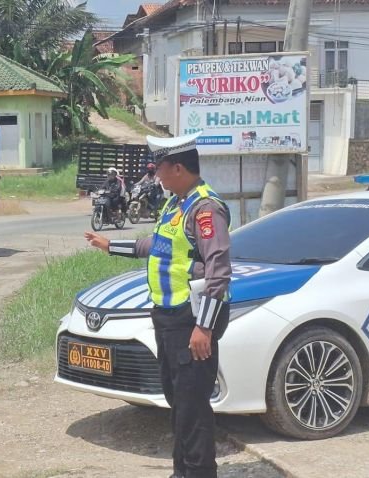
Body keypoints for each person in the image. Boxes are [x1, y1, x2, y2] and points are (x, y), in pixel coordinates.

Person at [84, 132, 231, 478]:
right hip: (169, 318)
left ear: (178, 168)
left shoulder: (205, 209)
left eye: (160, 169)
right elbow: (155, 245)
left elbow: (219, 270)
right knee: (178, 402)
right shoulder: (176, 204)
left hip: (192, 319)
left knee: (193, 407)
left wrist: (204, 327)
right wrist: (110, 246)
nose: (156, 175)